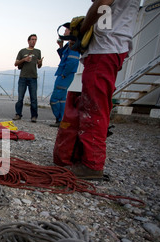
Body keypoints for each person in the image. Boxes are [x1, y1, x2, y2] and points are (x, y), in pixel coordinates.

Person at [53, 0, 140, 180]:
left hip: (105, 50)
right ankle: (87, 159)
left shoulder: (103, 11)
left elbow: (103, 3)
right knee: (95, 105)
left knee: (94, 108)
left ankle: (92, 165)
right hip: (108, 49)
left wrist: (84, 28)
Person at [49, 26, 80, 127]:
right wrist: (61, 46)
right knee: (62, 99)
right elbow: (64, 57)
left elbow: (72, 61)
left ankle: (59, 118)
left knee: (54, 99)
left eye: (66, 30)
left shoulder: (73, 45)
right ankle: (62, 121)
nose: (64, 32)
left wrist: (64, 74)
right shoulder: (69, 45)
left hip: (64, 75)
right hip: (64, 74)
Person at [13, 34, 44, 122]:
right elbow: (16, 63)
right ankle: (18, 114)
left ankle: (34, 116)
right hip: (23, 77)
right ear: (28, 41)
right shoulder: (22, 51)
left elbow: (39, 66)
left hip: (33, 77)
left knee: (33, 98)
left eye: (35, 40)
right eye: (32, 39)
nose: (34, 41)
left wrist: (40, 62)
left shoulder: (38, 51)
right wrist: (24, 59)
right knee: (20, 98)